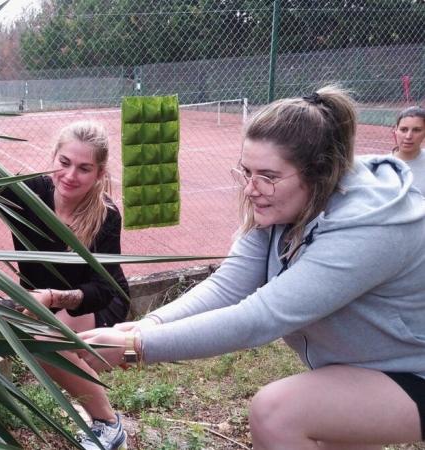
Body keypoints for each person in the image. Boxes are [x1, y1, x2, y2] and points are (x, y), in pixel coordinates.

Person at [79, 86, 425, 449]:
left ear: (319, 174)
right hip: (360, 366)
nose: (250, 188)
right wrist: (149, 324)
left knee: (277, 414)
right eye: (246, 171)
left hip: (411, 369)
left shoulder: (370, 228)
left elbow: (258, 318)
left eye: (268, 176)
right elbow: (228, 286)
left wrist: (136, 348)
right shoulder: (288, 202)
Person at [0, 121, 129, 450]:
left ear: (99, 173)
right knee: (26, 330)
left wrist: (53, 297)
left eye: (84, 168)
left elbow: (104, 289)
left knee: (42, 342)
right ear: (53, 156)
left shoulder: (106, 215)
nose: (70, 176)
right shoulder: (30, 190)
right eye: (64, 163)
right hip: (38, 300)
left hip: (95, 301)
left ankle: (109, 425)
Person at [392, 106, 425, 194]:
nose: (408, 136)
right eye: (403, 130)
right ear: (396, 131)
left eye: (416, 130)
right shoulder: (383, 164)